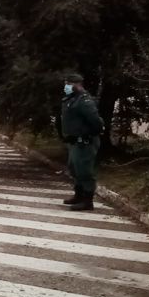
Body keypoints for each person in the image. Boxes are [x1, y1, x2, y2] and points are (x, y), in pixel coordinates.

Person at [61, 73, 104, 211]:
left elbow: (95, 121)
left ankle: (87, 201)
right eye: (66, 83)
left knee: (84, 170)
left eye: (69, 84)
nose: (66, 86)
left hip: (85, 142)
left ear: (77, 84)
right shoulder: (72, 99)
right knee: (74, 168)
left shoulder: (84, 101)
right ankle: (78, 195)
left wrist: (89, 134)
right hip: (75, 142)